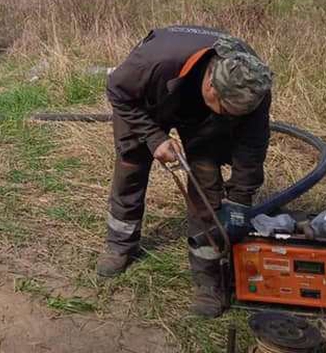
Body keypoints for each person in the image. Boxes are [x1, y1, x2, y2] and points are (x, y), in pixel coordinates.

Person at [96, 25, 273, 318]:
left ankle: (208, 279)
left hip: (200, 120)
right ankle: (119, 245)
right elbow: (118, 91)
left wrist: (241, 197)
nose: (230, 117)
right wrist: (155, 138)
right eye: (227, 109)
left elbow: (252, 146)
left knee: (205, 182)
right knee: (131, 166)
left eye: (236, 115)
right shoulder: (154, 61)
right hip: (148, 100)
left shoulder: (253, 86)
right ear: (211, 86)